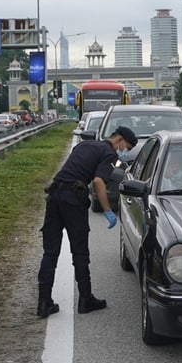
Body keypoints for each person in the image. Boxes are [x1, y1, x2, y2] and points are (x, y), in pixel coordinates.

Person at [36, 125, 137, 318]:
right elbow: (99, 181)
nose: (125, 152)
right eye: (127, 147)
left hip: (54, 196)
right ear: (119, 140)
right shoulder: (109, 154)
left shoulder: (85, 145)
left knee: (50, 252)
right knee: (80, 252)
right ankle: (85, 299)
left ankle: (44, 303)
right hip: (73, 201)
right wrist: (108, 210)